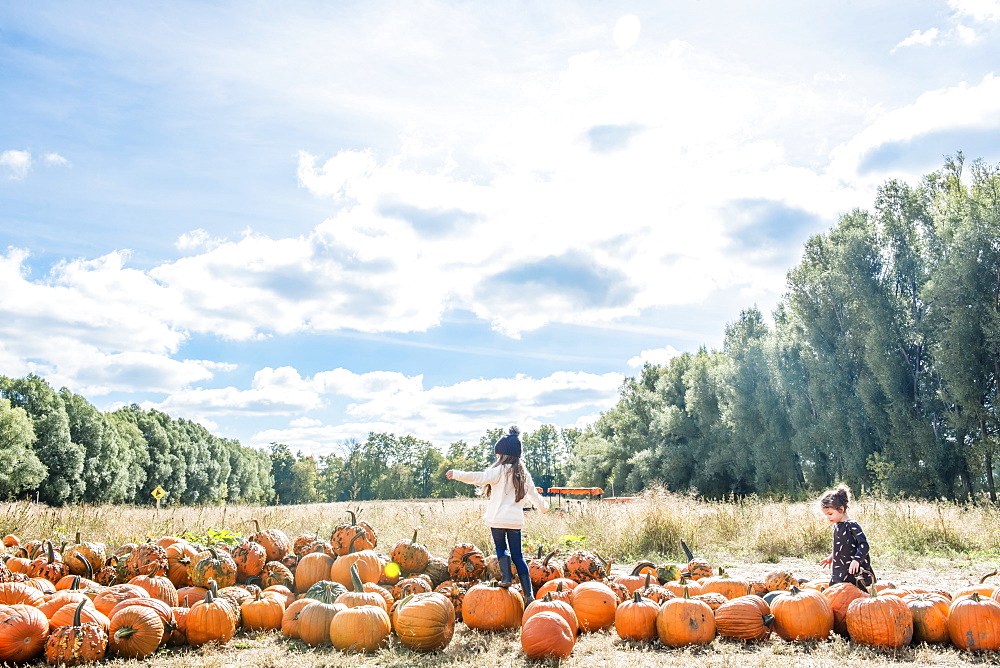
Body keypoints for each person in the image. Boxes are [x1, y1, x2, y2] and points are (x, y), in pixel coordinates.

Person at [446, 425, 549, 602]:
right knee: (518, 556)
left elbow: (477, 477)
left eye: (499, 455)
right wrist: (544, 508)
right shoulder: (523, 474)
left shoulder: (499, 471)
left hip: (498, 520)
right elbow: (535, 496)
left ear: (503, 454)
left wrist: (456, 473)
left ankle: (507, 578)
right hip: (515, 522)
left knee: (501, 549)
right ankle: (529, 595)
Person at [818, 484, 875, 590]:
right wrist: (832, 556)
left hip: (853, 567)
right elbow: (843, 545)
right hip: (840, 567)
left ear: (841, 509)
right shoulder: (836, 525)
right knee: (839, 591)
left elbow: (864, 545)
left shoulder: (852, 525)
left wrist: (857, 560)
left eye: (830, 514)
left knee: (855, 590)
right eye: (826, 514)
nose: (827, 517)